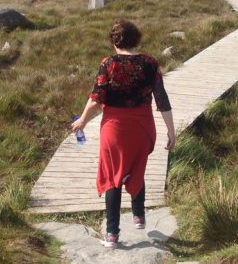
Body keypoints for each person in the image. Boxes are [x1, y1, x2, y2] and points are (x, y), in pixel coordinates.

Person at [72, 20, 176, 249]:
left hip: (115, 128)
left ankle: (112, 235)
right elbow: (162, 99)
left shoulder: (108, 64)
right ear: (136, 39)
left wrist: (81, 121)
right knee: (136, 167)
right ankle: (139, 215)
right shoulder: (150, 63)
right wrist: (171, 130)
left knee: (112, 177)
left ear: (114, 41)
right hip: (143, 126)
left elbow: (96, 99)